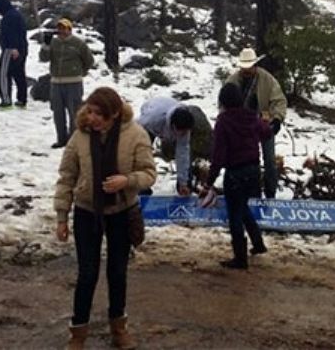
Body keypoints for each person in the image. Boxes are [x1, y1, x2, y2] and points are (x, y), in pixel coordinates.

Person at [54, 87, 156, 350]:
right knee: (87, 273)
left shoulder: (135, 135)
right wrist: (62, 216)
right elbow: (66, 177)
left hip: (121, 213)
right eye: (90, 111)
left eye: (99, 114)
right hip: (87, 212)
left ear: (114, 115)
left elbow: (149, 173)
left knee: (117, 272)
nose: (93, 118)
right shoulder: (79, 137)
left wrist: (128, 180)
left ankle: (119, 328)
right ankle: (77, 333)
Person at [204, 83, 271, 270]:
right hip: (254, 170)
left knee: (234, 214)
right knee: (243, 208)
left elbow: (218, 157)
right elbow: (266, 132)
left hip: (235, 173)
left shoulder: (223, 121)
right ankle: (258, 244)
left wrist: (209, 182)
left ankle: (240, 258)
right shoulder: (252, 116)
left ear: (223, 101)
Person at [226, 48, 288, 199]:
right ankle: (245, 191)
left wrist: (277, 119)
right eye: (244, 67)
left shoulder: (268, 79)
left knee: (270, 161)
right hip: (240, 127)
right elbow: (224, 104)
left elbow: (279, 100)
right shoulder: (232, 81)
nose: (246, 70)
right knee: (243, 160)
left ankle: (270, 193)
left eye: (249, 67)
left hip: (263, 123)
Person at [137, 97, 213, 195]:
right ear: (172, 126)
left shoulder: (185, 127)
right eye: (180, 132)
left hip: (167, 114)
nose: (183, 135)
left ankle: (185, 186)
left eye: (185, 132)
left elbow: (182, 154)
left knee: (185, 154)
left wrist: (183, 183)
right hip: (150, 119)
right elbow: (134, 134)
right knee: (142, 154)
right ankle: (142, 187)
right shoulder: (150, 120)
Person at [40, 19, 94, 148]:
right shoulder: (53, 42)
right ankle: (61, 139)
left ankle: (74, 140)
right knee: (58, 113)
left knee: (74, 112)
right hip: (56, 83)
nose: (62, 31)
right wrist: (46, 45)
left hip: (73, 83)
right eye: (60, 28)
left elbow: (89, 60)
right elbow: (43, 58)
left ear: (70, 29)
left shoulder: (78, 43)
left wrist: (81, 72)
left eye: (65, 28)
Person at [0, 0, 28, 108]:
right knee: (19, 74)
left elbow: (12, 33)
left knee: (3, 74)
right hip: (22, 48)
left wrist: (13, 48)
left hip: (10, 49)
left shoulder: (9, 17)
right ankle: (22, 99)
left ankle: (6, 100)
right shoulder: (17, 14)